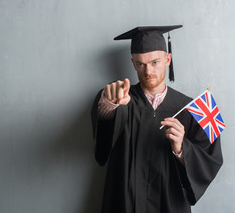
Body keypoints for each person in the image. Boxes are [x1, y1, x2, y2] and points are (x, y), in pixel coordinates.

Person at [91, 25, 223, 213]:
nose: (148, 71)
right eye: (140, 64)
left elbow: (212, 159)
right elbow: (103, 139)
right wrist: (108, 104)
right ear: (132, 63)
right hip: (125, 202)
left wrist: (181, 149)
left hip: (170, 202)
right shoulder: (121, 98)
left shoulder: (192, 108)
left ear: (167, 59)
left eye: (155, 62)